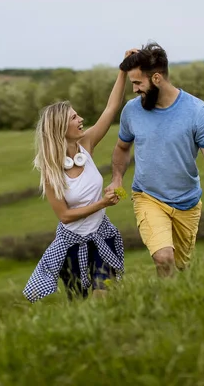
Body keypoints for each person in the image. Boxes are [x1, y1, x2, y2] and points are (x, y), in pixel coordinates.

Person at [105, 42, 204, 278]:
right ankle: (164, 307)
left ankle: (175, 303)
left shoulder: (197, 111)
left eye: (137, 83)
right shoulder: (132, 111)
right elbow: (122, 147)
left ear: (156, 78)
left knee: (181, 267)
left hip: (187, 202)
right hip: (148, 197)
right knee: (163, 257)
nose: (134, 90)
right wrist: (117, 179)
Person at [23, 49, 137, 303]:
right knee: (80, 304)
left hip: (101, 235)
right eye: (75, 117)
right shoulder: (51, 170)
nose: (81, 119)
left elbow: (111, 108)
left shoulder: (87, 144)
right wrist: (101, 204)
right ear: (61, 127)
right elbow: (65, 215)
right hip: (72, 246)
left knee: (104, 296)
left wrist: (123, 70)